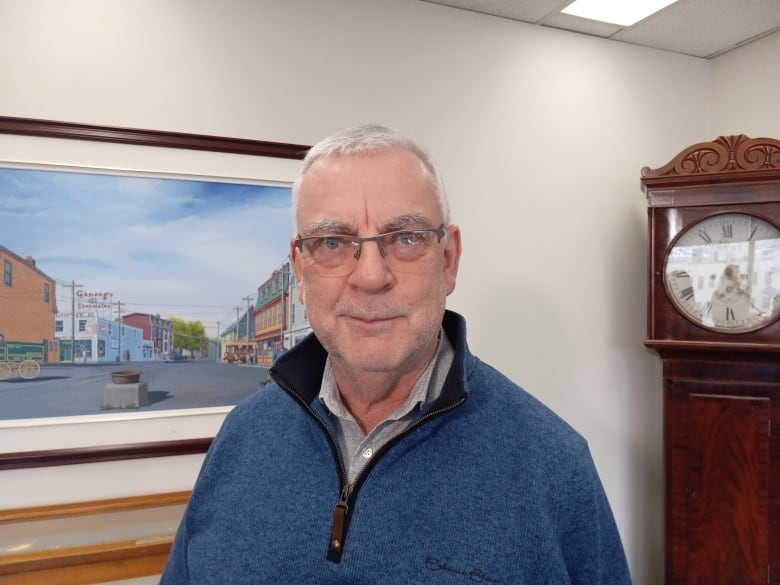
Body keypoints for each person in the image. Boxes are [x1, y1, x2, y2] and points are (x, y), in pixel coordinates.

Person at [161, 124, 633, 584]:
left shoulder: (553, 466)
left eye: (406, 238)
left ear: (448, 260)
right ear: (299, 273)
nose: (370, 277)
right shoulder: (242, 437)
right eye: (332, 242)